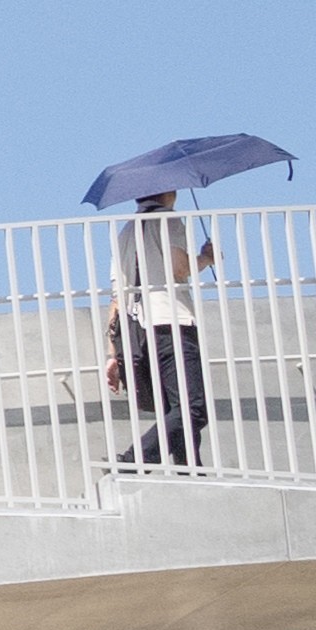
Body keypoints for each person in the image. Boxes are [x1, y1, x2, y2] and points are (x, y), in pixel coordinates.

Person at [108, 185, 215, 470]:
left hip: (139, 331)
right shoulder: (168, 219)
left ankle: (191, 470)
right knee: (193, 409)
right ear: (168, 193)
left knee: (176, 409)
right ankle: (133, 460)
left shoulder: (125, 234)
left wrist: (112, 353)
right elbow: (179, 269)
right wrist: (207, 257)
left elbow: (117, 297)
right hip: (172, 321)